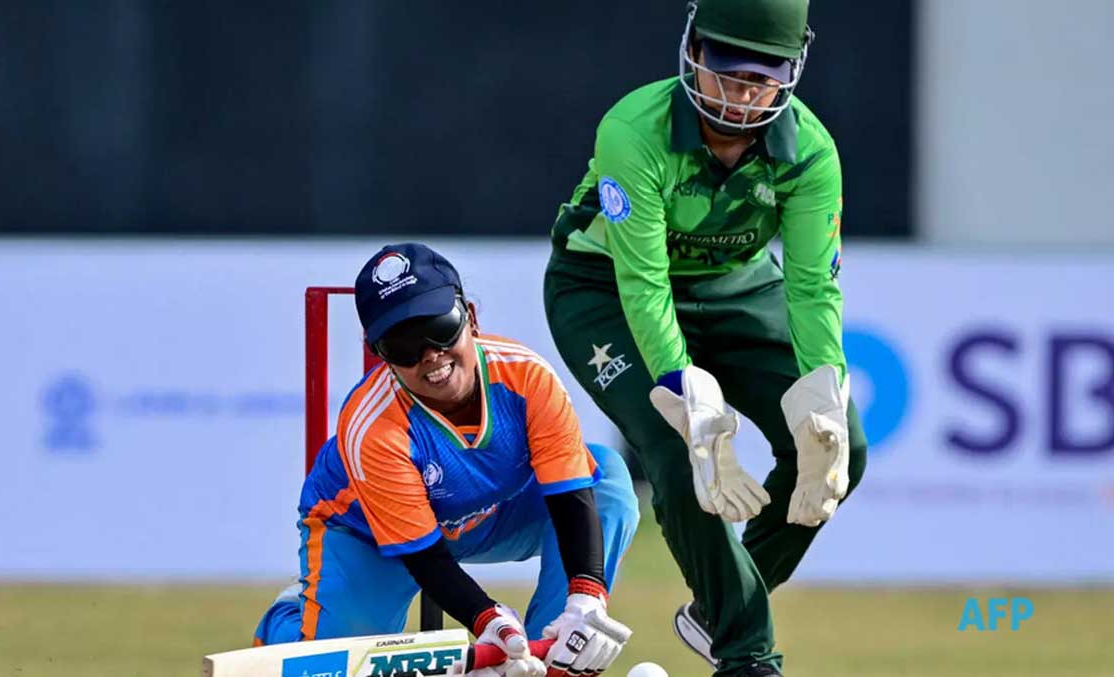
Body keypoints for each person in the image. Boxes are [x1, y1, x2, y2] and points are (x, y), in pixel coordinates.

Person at [541, 1, 867, 675]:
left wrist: (824, 389)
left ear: (791, 72)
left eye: (763, 77)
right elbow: (644, 281)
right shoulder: (635, 130)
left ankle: (717, 610)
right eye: (727, 70)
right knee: (676, 442)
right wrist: (679, 385)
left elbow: (811, 289)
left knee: (842, 448)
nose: (743, 94)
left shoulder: (810, 153)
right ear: (694, 52)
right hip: (602, 288)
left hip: (736, 287)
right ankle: (749, 656)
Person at [255, 243, 639, 677]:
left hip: (489, 512)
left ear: (470, 317)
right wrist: (488, 620)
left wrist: (586, 598)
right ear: (380, 354)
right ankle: (293, 618)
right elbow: (424, 557)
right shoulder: (374, 428)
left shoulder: (528, 377)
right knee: (332, 664)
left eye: (441, 326)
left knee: (604, 481)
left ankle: (553, 662)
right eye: (403, 345)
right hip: (369, 536)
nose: (430, 355)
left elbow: (571, 498)